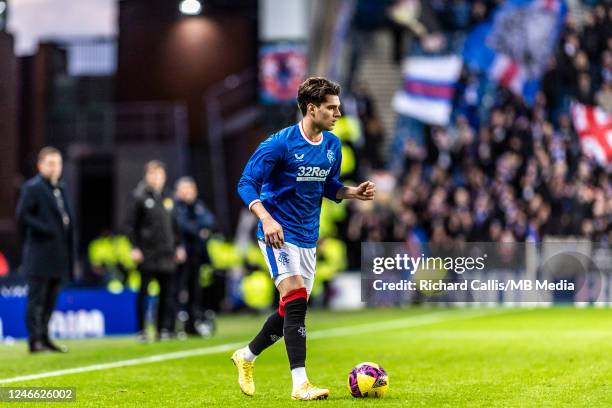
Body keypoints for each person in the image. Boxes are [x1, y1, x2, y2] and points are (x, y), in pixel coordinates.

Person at [233, 77, 376, 400]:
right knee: (296, 299)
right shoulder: (279, 144)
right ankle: (300, 384)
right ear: (312, 109)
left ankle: (247, 355)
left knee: (289, 310)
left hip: (308, 236)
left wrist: (351, 193)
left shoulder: (332, 146)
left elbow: (328, 185)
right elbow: (246, 183)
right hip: (277, 233)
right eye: (332, 108)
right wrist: (266, 219)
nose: (338, 114)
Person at [16, 147, 74, 353]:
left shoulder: (62, 188)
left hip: (58, 256)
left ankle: (46, 338)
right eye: (50, 163)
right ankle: (35, 341)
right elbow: (22, 215)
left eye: (57, 163)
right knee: (37, 300)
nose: (54, 168)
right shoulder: (33, 187)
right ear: (40, 165)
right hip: (39, 255)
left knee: (51, 301)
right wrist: (46, 228)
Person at [126, 160, 185, 342]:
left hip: (167, 254)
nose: (157, 178)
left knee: (166, 294)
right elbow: (130, 226)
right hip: (147, 254)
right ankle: (141, 330)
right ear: (147, 176)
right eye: (153, 175)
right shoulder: (139, 197)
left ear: (164, 177)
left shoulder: (168, 198)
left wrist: (179, 246)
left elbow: (175, 227)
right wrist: (135, 247)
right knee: (144, 293)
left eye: (159, 175)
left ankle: (163, 329)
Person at [174, 177, 216, 336]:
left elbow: (210, 222)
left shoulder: (199, 205)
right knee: (178, 290)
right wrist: (199, 231)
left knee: (195, 291)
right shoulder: (176, 207)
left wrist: (200, 229)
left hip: (197, 256)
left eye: (190, 189)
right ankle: (175, 325)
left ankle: (193, 324)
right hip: (181, 255)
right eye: (184, 189)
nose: (187, 193)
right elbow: (181, 225)